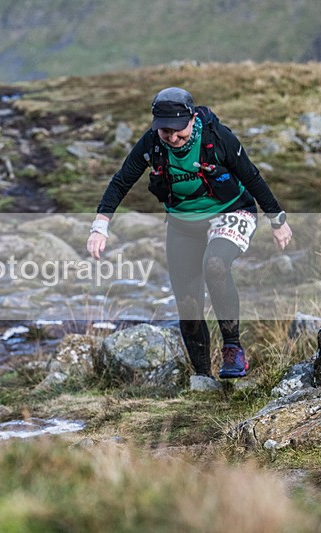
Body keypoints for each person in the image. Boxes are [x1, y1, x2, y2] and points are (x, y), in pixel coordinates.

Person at [87, 87, 292, 380]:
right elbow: (121, 182)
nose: (172, 138)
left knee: (215, 266)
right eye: (165, 131)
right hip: (183, 224)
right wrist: (100, 226)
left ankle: (232, 348)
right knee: (187, 302)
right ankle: (202, 377)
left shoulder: (217, 138)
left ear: (192, 119)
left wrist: (277, 219)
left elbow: (251, 176)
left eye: (178, 131)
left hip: (231, 213)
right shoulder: (151, 144)